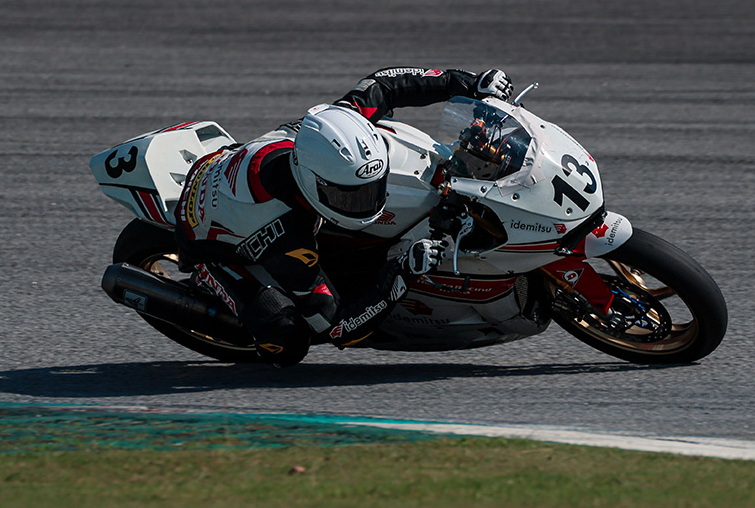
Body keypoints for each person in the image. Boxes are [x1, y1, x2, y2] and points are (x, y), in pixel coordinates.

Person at [174, 67, 513, 366]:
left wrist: (469, 83)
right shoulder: (287, 237)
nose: (368, 202)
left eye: (371, 189)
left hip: (238, 167)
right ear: (313, 182)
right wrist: (402, 271)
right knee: (287, 339)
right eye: (350, 196)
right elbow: (337, 326)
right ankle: (208, 281)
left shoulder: (334, 126)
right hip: (208, 238)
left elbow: (387, 83)